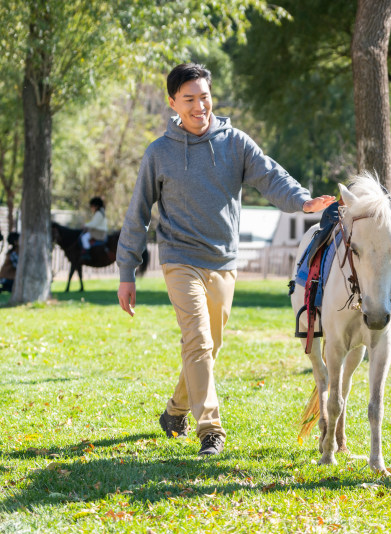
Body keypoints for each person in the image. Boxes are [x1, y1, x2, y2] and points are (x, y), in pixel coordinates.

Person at [116, 63, 335, 457]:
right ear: (173, 103)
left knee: (208, 345)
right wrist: (126, 271)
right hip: (179, 257)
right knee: (198, 339)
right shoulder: (159, 153)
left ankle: (174, 411)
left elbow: (271, 176)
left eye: (204, 96)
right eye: (190, 99)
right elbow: (137, 214)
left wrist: (303, 200)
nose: (200, 106)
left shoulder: (234, 142)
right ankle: (210, 429)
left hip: (223, 261)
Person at [81, 197, 108, 261]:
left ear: (96, 206)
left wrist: (85, 225)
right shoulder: (101, 212)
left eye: (92, 206)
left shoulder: (99, 213)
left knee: (84, 237)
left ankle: (87, 253)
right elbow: (94, 223)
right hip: (99, 231)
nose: (91, 208)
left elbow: (94, 224)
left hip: (98, 232)